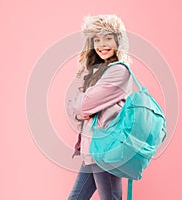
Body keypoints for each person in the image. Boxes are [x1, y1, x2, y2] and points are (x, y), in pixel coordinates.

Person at [68, 14, 132, 200]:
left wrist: (83, 105)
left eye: (108, 38)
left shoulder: (119, 71)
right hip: (93, 149)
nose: (102, 44)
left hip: (105, 147)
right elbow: (78, 106)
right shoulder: (98, 72)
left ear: (118, 41)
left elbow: (83, 105)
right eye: (97, 39)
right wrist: (83, 105)